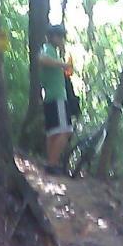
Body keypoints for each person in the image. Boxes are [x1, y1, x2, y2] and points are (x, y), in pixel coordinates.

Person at [38, 24, 74, 173]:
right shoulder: (48, 49)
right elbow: (42, 59)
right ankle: (52, 165)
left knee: (53, 133)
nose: (63, 40)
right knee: (65, 131)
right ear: (54, 37)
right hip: (57, 97)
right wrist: (63, 64)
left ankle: (50, 164)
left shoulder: (54, 52)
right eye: (61, 37)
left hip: (52, 97)